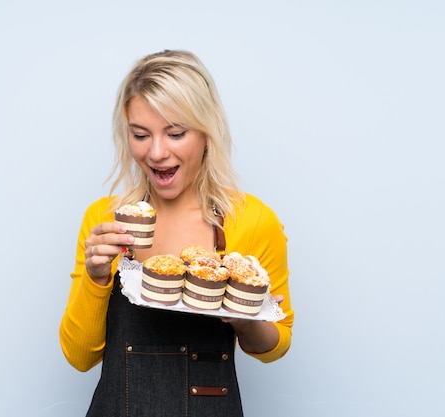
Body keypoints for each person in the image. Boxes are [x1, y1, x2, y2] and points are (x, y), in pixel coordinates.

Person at [59, 50, 294, 417]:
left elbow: (276, 346)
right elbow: (78, 357)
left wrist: (247, 319)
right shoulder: (105, 220)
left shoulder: (250, 220)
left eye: (175, 133)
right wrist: (96, 276)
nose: (156, 152)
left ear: (206, 132)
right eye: (140, 134)